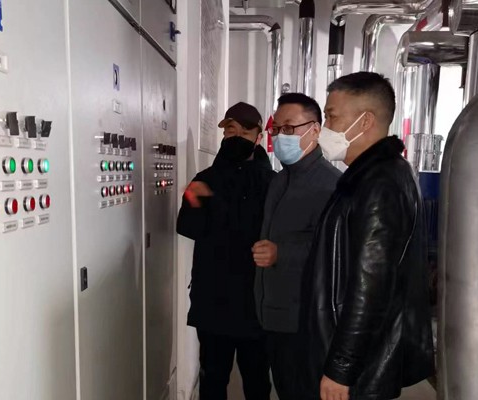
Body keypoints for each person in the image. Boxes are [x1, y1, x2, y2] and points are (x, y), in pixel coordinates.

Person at [303, 71, 434, 400]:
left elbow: (370, 288)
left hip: (361, 367)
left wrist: (341, 368)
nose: (325, 128)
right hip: (361, 357)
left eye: (332, 116)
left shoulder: (379, 184)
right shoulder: (373, 175)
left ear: (365, 121)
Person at [177, 102, 275, 400]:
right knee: (213, 378)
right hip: (213, 299)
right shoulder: (204, 179)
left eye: (246, 132)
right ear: (224, 133)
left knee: (257, 381)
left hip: (256, 301)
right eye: (232, 130)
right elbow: (187, 226)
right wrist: (195, 200)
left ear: (259, 137)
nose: (238, 137)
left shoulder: (273, 183)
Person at [252, 93, 342, 399]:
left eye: (289, 128)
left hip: (306, 322)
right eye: (276, 129)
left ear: (315, 130)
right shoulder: (279, 181)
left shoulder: (331, 184)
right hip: (273, 315)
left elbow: (334, 252)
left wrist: (282, 253)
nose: (280, 136)